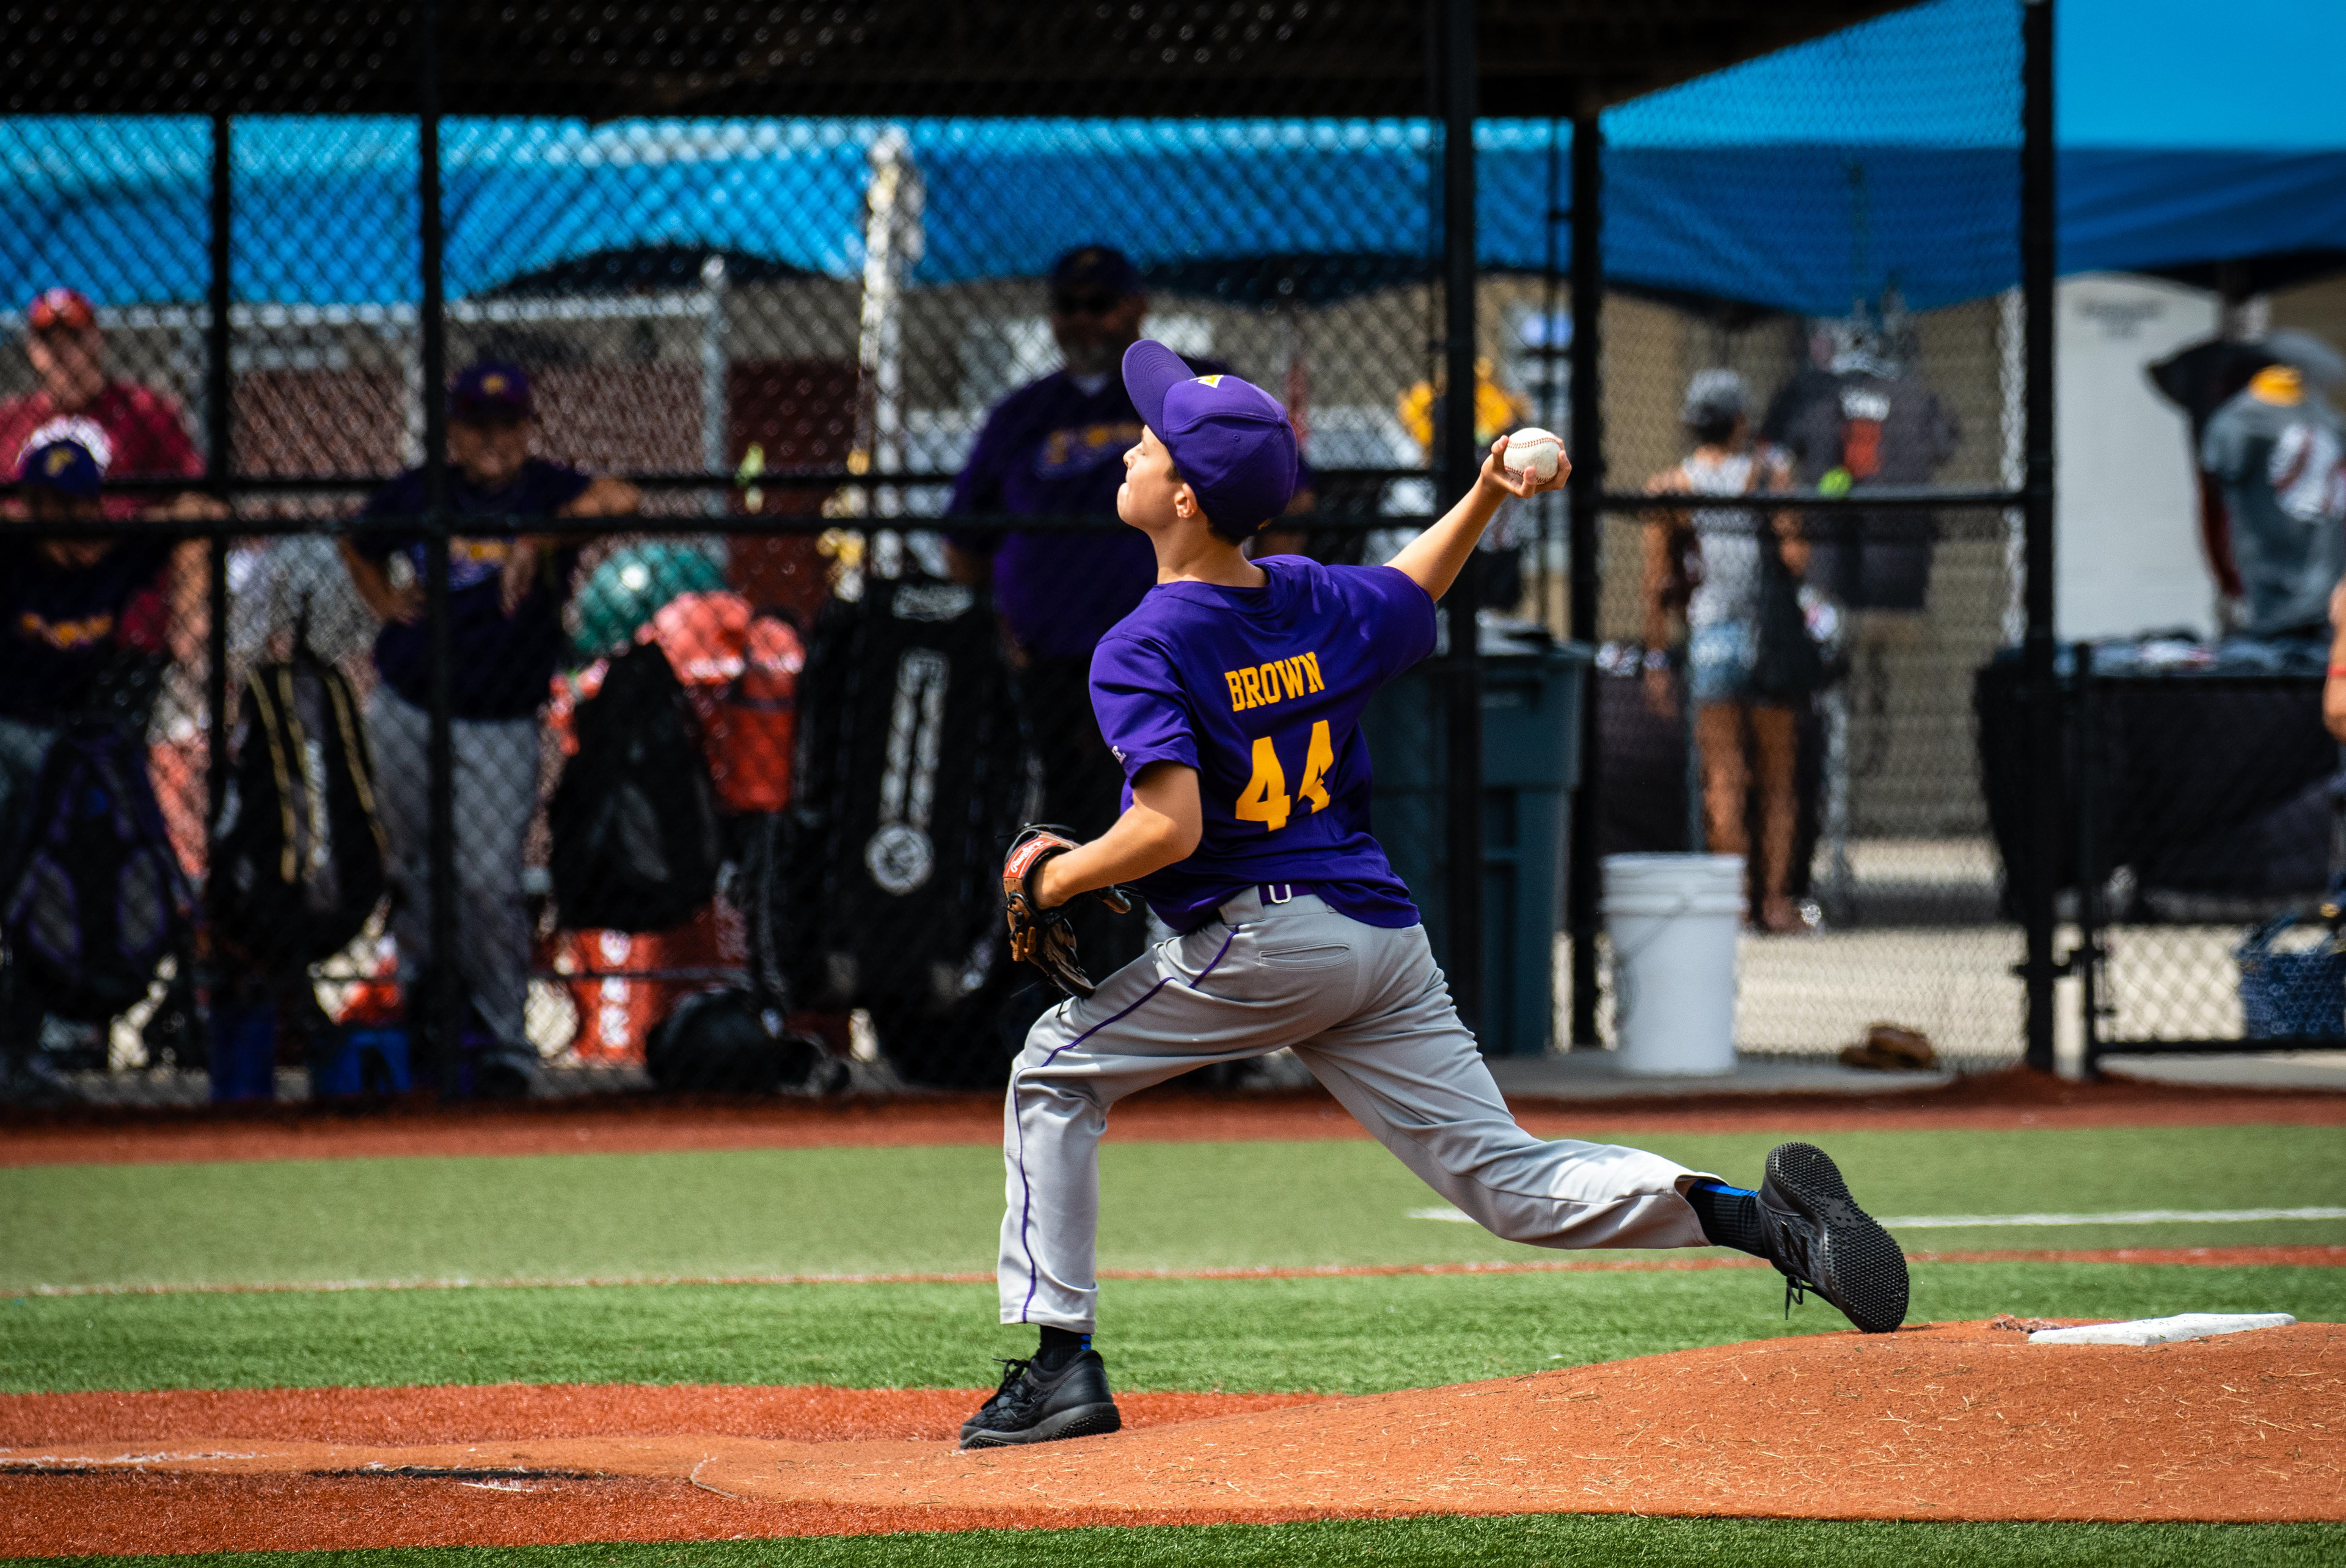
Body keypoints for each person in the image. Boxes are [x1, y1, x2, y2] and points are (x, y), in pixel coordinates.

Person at [957, 341, 1908, 1449]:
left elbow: (1172, 829)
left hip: (1264, 940)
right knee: (1507, 1177)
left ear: (1182, 498)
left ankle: (1059, 1363)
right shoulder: (1310, 596)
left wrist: (1051, 874)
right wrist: (1488, 492)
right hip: (1378, 935)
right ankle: (1762, 1221)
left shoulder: (1142, 643)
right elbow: (1413, 586)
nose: (1131, 446)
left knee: (1052, 1068)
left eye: (1151, 440)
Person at [339, 362, 640, 1095]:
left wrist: (538, 539)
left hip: (500, 718)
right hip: (409, 704)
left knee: (487, 879)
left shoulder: (546, 489)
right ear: (454, 432)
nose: (494, 440)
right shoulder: (425, 490)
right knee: (413, 871)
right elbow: (357, 540)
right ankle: (424, 1017)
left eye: (508, 424)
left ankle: (507, 1037)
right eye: (478, 425)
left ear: (528, 429)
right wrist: (383, 601)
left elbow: (624, 496)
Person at [0, 437, 196, 1090]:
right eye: (49, 507)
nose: (66, 522)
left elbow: (201, 508)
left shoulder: (114, 558)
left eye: (77, 506)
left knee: (49, 892)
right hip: (5, 731)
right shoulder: (11, 555)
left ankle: (26, 1052)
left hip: (65, 749)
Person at [1642, 369, 1809, 933]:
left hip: (1710, 638)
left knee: (1723, 778)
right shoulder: (1769, 476)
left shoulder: (1670, 488)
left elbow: (1655, 583)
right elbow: (1796, 559)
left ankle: (1734, 907)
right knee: (1778, 778)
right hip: (1768, 640)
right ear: (1740, 422)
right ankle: (1776, 903)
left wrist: (1657, 658)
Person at [0, 288, 210, 521]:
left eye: (74, 336)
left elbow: (196, 493)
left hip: (127, 539)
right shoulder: (9, 420)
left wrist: (138, 526)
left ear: (97, 337)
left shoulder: (143, 409)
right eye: (47, 339)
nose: (60, 350)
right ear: (31, 347)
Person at [2202, 351, 2346, 641]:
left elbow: (2218, 479)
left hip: (2278, 567)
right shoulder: (2329, 421)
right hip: (2314, 565)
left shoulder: (2238, 421)